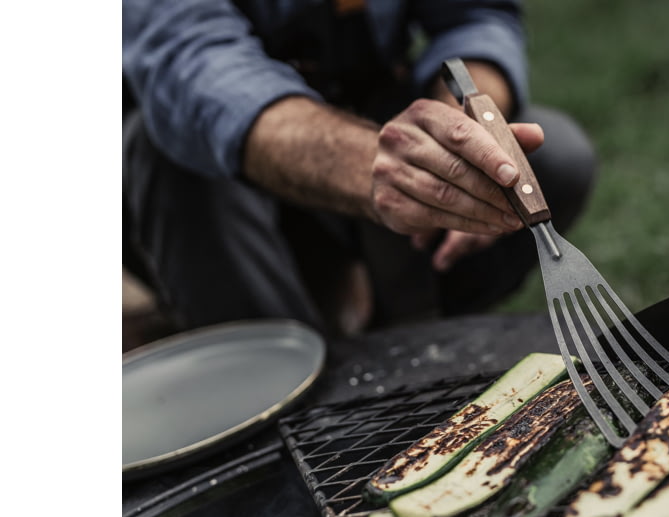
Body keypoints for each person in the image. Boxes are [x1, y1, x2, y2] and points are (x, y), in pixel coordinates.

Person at [122, 0, 596, 339]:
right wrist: (375, 164)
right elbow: (197, 71)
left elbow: (474, 16)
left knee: (556, 157)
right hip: (223, 167)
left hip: (365, 103)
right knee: (170, 155)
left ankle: (401, 344)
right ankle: (276, 388)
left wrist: (453, 141)